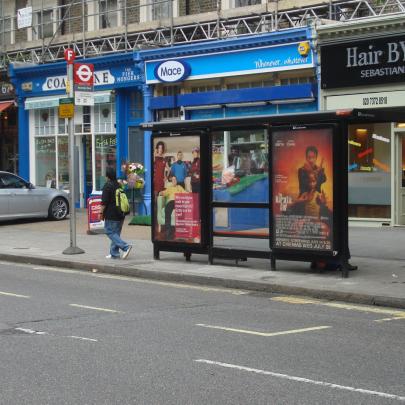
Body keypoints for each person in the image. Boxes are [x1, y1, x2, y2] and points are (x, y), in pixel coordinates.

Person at [101, 167, 132, 260]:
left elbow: (104, 202)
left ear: (107, 176)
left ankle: (126, 247)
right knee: (116, 234)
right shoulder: (118, 185)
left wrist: (100, 213)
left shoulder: (107, 186)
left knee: (109, 231)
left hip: (111, 214)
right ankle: (114, 253)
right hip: (120, 213)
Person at [159, 176, 186, 240]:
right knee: (167, 209)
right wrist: (161, 192)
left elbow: (185, 193)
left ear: (176, 181)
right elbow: (164, 193)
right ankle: (168, 233)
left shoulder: (180, 187)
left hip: (178, 201)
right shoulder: (169, 188)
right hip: (171, 202)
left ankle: (181, 232)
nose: (174, 181)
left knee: (181, 210)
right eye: (173, 180)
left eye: (175, 180)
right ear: (171, 182)